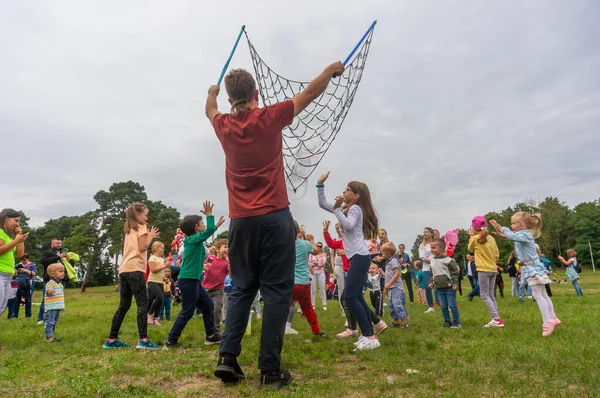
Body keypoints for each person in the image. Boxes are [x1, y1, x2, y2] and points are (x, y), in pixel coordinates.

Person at [207, 61, 344, 388]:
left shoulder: (223, 124)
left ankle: (228, 357)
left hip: (240, 222)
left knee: (242, 289)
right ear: (256, 93)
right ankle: (269, 370)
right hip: (273, 217)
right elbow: (310, 93)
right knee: (277, 292)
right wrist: (329, 71)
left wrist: (211, 93)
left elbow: (209, 108)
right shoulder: (270, 117)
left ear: (230, 100)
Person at [317, 171, 382, 351]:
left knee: (350, 297)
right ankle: (369, 332)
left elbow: (348, 225)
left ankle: (369, 336)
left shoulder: (355, 209)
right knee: (355, 296)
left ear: (356, 195)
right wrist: (320, 185)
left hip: (360, 258)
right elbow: (323, 204)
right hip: (357, 259)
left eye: (347, 189)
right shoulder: (347, 209)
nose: (344, 191)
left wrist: (337, 209)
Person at [164, 202, 225, 349]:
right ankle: (170, 341)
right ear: (197, 228)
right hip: (188, 280)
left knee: (207, 304)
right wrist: (210, 216)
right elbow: (209, 230)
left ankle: (211, 336)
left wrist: (214, 227)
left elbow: (208, 231)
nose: (204, 224)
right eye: (202, 222)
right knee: (187, 311)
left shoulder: (195, 240)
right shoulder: (191, 239)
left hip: (194, 280)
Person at [491, 213, 560, 337]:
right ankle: (553, 317)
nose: (511, 225)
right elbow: (508, 231)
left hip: (533, 268)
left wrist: (501, 235)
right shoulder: (521, 233)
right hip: (532, 266)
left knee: (538, 295)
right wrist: (497, 226)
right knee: (543, 293)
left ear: (523, 225)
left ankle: (547, 322)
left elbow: (511, 236)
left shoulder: (524, 235)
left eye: (513, 223)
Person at [103, 202, 161, 350]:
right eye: (145, 214)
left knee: (124, 305)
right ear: (137, 215)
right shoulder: (141, 228)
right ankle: (143, 340)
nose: (146, 217)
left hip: (124, 269)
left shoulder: (128, 230)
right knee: (142, 304)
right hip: (135, 269)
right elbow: (142, 247)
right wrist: (150, 236)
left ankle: (111, 339)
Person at [285, 223, 324, 336]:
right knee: (307, 309)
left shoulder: (284, 245)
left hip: (290, 283)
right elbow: (316, 251)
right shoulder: (305, 244)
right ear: (298, 232)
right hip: (303, 284)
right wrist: (311, 240)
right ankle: (316, 331)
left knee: (283, 307)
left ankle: (278, 330)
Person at [468, 216, 504, 328]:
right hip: (493, 269)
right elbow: (496, 255)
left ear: (474, 228)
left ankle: (496, 319)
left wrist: (471, 236)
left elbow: (470, 249)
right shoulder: (492, 239)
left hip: (483, 270)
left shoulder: (475, 238)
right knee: (491, 295)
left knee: (484, 295)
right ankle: (496, 318)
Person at [0, 209, 28, 317]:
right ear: (6, 218)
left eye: (19, 222)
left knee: (2, 306)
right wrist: (16, 241)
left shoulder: (9, 236)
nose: (17, 224)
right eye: (16, 220)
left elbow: (20, 254)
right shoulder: (0, 232)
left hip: (7, 275)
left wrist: (19, 236)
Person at [202, 239, 231, 335]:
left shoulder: (227, 263)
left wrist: (229, 261)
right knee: (207, 311)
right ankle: (209, 330)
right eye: (225, 247)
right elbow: (205, 265)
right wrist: (203, 266)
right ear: (218, 249)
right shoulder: (211, 258)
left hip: (219, 290)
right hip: (206, 289)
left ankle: (217, 332)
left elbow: (231, 274)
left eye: (229, 247)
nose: (228, 249)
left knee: (217, 311)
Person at [37, 237, 70, 324]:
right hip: (49, 279)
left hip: (61, 280)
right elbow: (42, 261)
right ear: (52, 244)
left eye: (60, 243)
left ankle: (54, 318)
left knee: (57, 299)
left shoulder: (64, 253)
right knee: (46, 299)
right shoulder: (47, 252)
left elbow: (67, 266)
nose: (59, 245)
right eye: (57, 243)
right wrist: (58, 257)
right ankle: (41, 318)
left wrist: (67, 259)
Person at [429, 239, 461, 328]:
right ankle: (447, 321)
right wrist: (431, 282)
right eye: (431, 248)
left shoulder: (448, 260)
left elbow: (454, 272)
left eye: (434, 248)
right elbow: (432, 273)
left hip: (449, 287)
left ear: (442, 248)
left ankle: (456, 322)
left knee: (452, 305)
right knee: (443, 306)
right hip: (438, 288)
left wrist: (455, 283)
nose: (432, 250)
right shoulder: (432, 260)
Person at [323, 221, 349, 315]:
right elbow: (331, 245)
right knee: (341, 288)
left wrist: (345, 252)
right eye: (337, 228)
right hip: (338, 265)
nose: (339, 230)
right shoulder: (338, 241)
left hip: (349, 266)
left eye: (341, 227)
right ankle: (344, 310)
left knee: (349, 288)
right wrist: (325, 232)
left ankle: (353, 309)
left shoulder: (349, 238)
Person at [381, 242, 409, 328]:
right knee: (391, 306)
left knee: (397, 304)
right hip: (391, 288)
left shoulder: (393, 261)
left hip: (396, 287)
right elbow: (390, 274)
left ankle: (404, 321)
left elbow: (397, 273)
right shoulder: (388, 262)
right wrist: (383, 273)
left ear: (388, 253)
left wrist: (389, 283)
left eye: (382, 252)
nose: (382, 254)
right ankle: (396, 322)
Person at [147, 242, 169, 326]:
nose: (163, 250)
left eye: (163, 248)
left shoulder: (161, 259)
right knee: (159, 297)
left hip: (159, 282)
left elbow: (161, 272)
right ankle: (149, 314)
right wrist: (164, 266)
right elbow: (153, 270)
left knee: (158, 299)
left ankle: (155, 318)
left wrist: (165, 278)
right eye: (161, 248)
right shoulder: (152, 258)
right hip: (152, 281)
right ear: (155, 248)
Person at [44, 263, 65, 342]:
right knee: (50, 322)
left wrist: (61, 307)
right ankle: (49, 337)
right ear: (53, 274)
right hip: (51, 307)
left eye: (63, 271)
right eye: (60, 271)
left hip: (57, 307)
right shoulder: (50, 283)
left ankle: (51, 335)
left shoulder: (60, 284)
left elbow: (60, 297)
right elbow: (47, 292)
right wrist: (49, 291)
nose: (63, 273)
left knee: (54, 322)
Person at [14, 253, 37, 318]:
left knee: (28, 299)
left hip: (28, 282)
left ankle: (28, 315)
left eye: (24, 259)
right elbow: (14, 275)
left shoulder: (32, 264)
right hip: (18, 282)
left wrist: (25, 270)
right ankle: (15, 315)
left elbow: (34, 273)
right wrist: (16, 271)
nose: (22, 261)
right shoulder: (18, 265)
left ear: (28, 259)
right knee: (16, 299)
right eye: (21, 259)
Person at [419, 227, 435, 313]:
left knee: (440, 285)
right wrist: (433, 260)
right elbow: (422, 257)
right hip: (426, 268)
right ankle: (431, 306)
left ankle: (445, 304)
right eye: (424, 232)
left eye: (427, 232)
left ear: (431, 234)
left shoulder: (436, 243)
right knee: (427, 286)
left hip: (437, 267)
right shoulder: (422, 245)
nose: (425, 233)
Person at [309, 242, 328, 311]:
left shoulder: (324, 254)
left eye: (320, 246)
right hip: (312, 273)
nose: (319, 247)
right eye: (317, 246)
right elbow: (309, 263)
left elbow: (323, 262)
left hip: (321, 273)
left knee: (322, 289)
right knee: (313, 290)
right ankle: (313, 305)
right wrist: (317, 264)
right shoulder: (311, 254)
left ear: (321, 247)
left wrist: (317, 264)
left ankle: (324, 304)